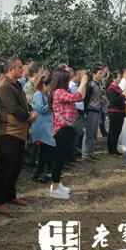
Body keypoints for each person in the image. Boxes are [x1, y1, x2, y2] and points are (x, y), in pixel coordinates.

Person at [0, 58, 38, 214]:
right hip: (8, 132)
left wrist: (31, 111)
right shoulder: (5, 86)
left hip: (19, 132)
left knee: (16, 166)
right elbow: (13, 108)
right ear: (11, 69)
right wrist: (29, 116)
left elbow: (23, 103)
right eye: (19, 67)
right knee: (5, 168)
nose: (22, 69)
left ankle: (10, 195)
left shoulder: (16, 84)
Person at [48, 68, 87, 199]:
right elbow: (77, 97)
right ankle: (54, 188)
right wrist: (83, 83)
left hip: (67, 128)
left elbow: (81, 97)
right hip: (62, 129)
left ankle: (57, 184)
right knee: (59, 158)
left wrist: (83, 85)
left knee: (63, 157)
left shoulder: (63, 91)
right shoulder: (58, 92)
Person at [31, 75, 55, 183]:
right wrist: (51, 103)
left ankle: (45, 172)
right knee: (45, 152)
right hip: (42, 126)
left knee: (48, 151)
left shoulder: (47, 94)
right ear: (44, 85)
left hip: (48, 126)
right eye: (50, 85)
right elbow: (40, 109)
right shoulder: (38, 94)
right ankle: (39, 173)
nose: (51, 88)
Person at [83, 67, 103, 162]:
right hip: (90, 110)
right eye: (99, 73)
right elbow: (86, 98)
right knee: (88, 133)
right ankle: (86, 154)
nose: (101, 75)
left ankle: (91, 153)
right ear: (94, 74)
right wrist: (85, 111)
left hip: (96, 110)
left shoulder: (98, 84)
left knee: (93, 133)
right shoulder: (90, 84)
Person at [106, 71, 126, 156]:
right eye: (118, 77)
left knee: (118, 131)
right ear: (114, 79)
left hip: (120, 112)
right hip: (114, 112)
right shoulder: (111, 88)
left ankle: (115, 149)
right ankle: (111, 150)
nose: (120, 79)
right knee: (113, 131)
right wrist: (122, 95)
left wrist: (123, 97)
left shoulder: (118, 88)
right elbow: (113, 100)